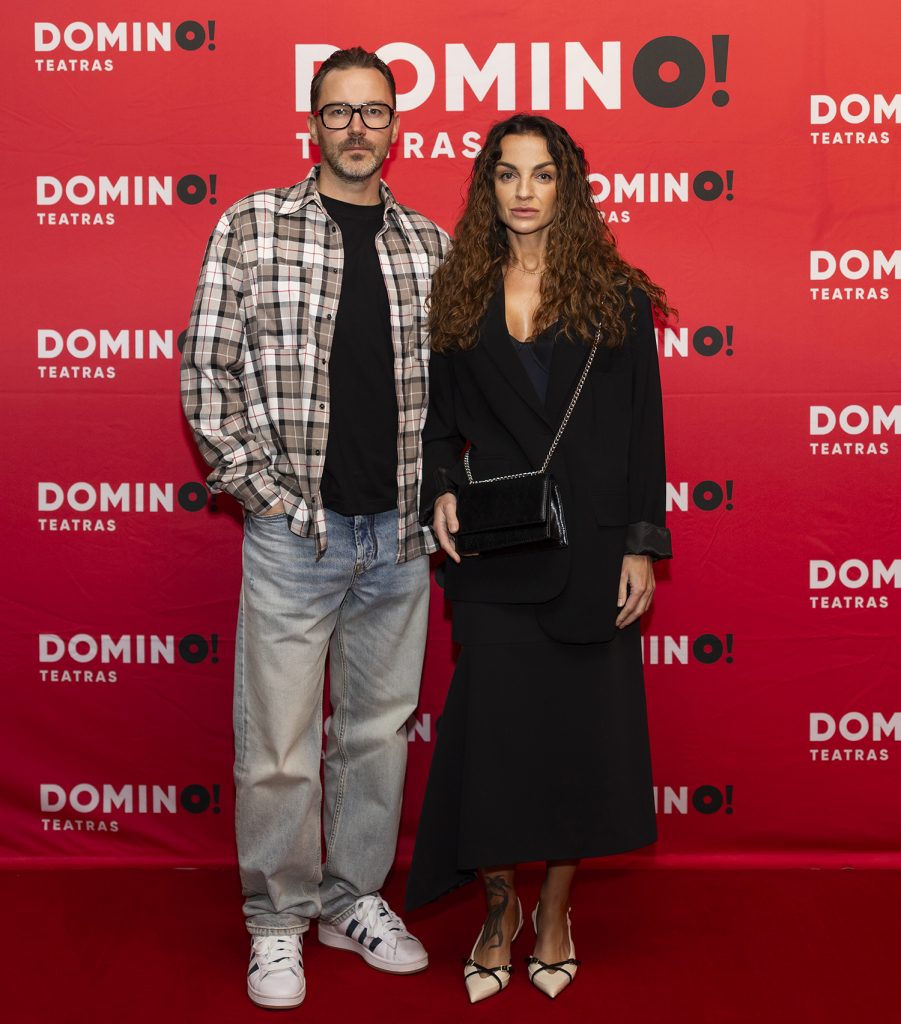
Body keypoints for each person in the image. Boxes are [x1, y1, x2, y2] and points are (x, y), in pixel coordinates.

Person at [181, 46, 449, 1009]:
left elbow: (455, 391)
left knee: (376, 735)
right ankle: (277, 920)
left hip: (399, 537)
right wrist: (262, 494)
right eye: (338, 112)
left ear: (395, 126)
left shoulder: (430, 245)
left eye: (373, 111)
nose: (356, 129)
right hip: (296, 532)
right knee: (279, 746)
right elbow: (206, 371)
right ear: (311, 123)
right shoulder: (252, 225)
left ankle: (350, 900)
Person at [405, 114, 673, 1003]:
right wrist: (442, 487)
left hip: (591, 549)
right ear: (487, 187)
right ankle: (498, 910)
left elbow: (642, 431)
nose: (524, 190)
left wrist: (641, 543)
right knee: (495, 744)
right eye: (507, 173)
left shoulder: (616, 297)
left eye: (542, 173)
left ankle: (554, 911)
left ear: (568, 187)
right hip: (496, 550)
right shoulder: (458, 294)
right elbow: (439, 428)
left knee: (577, 745)